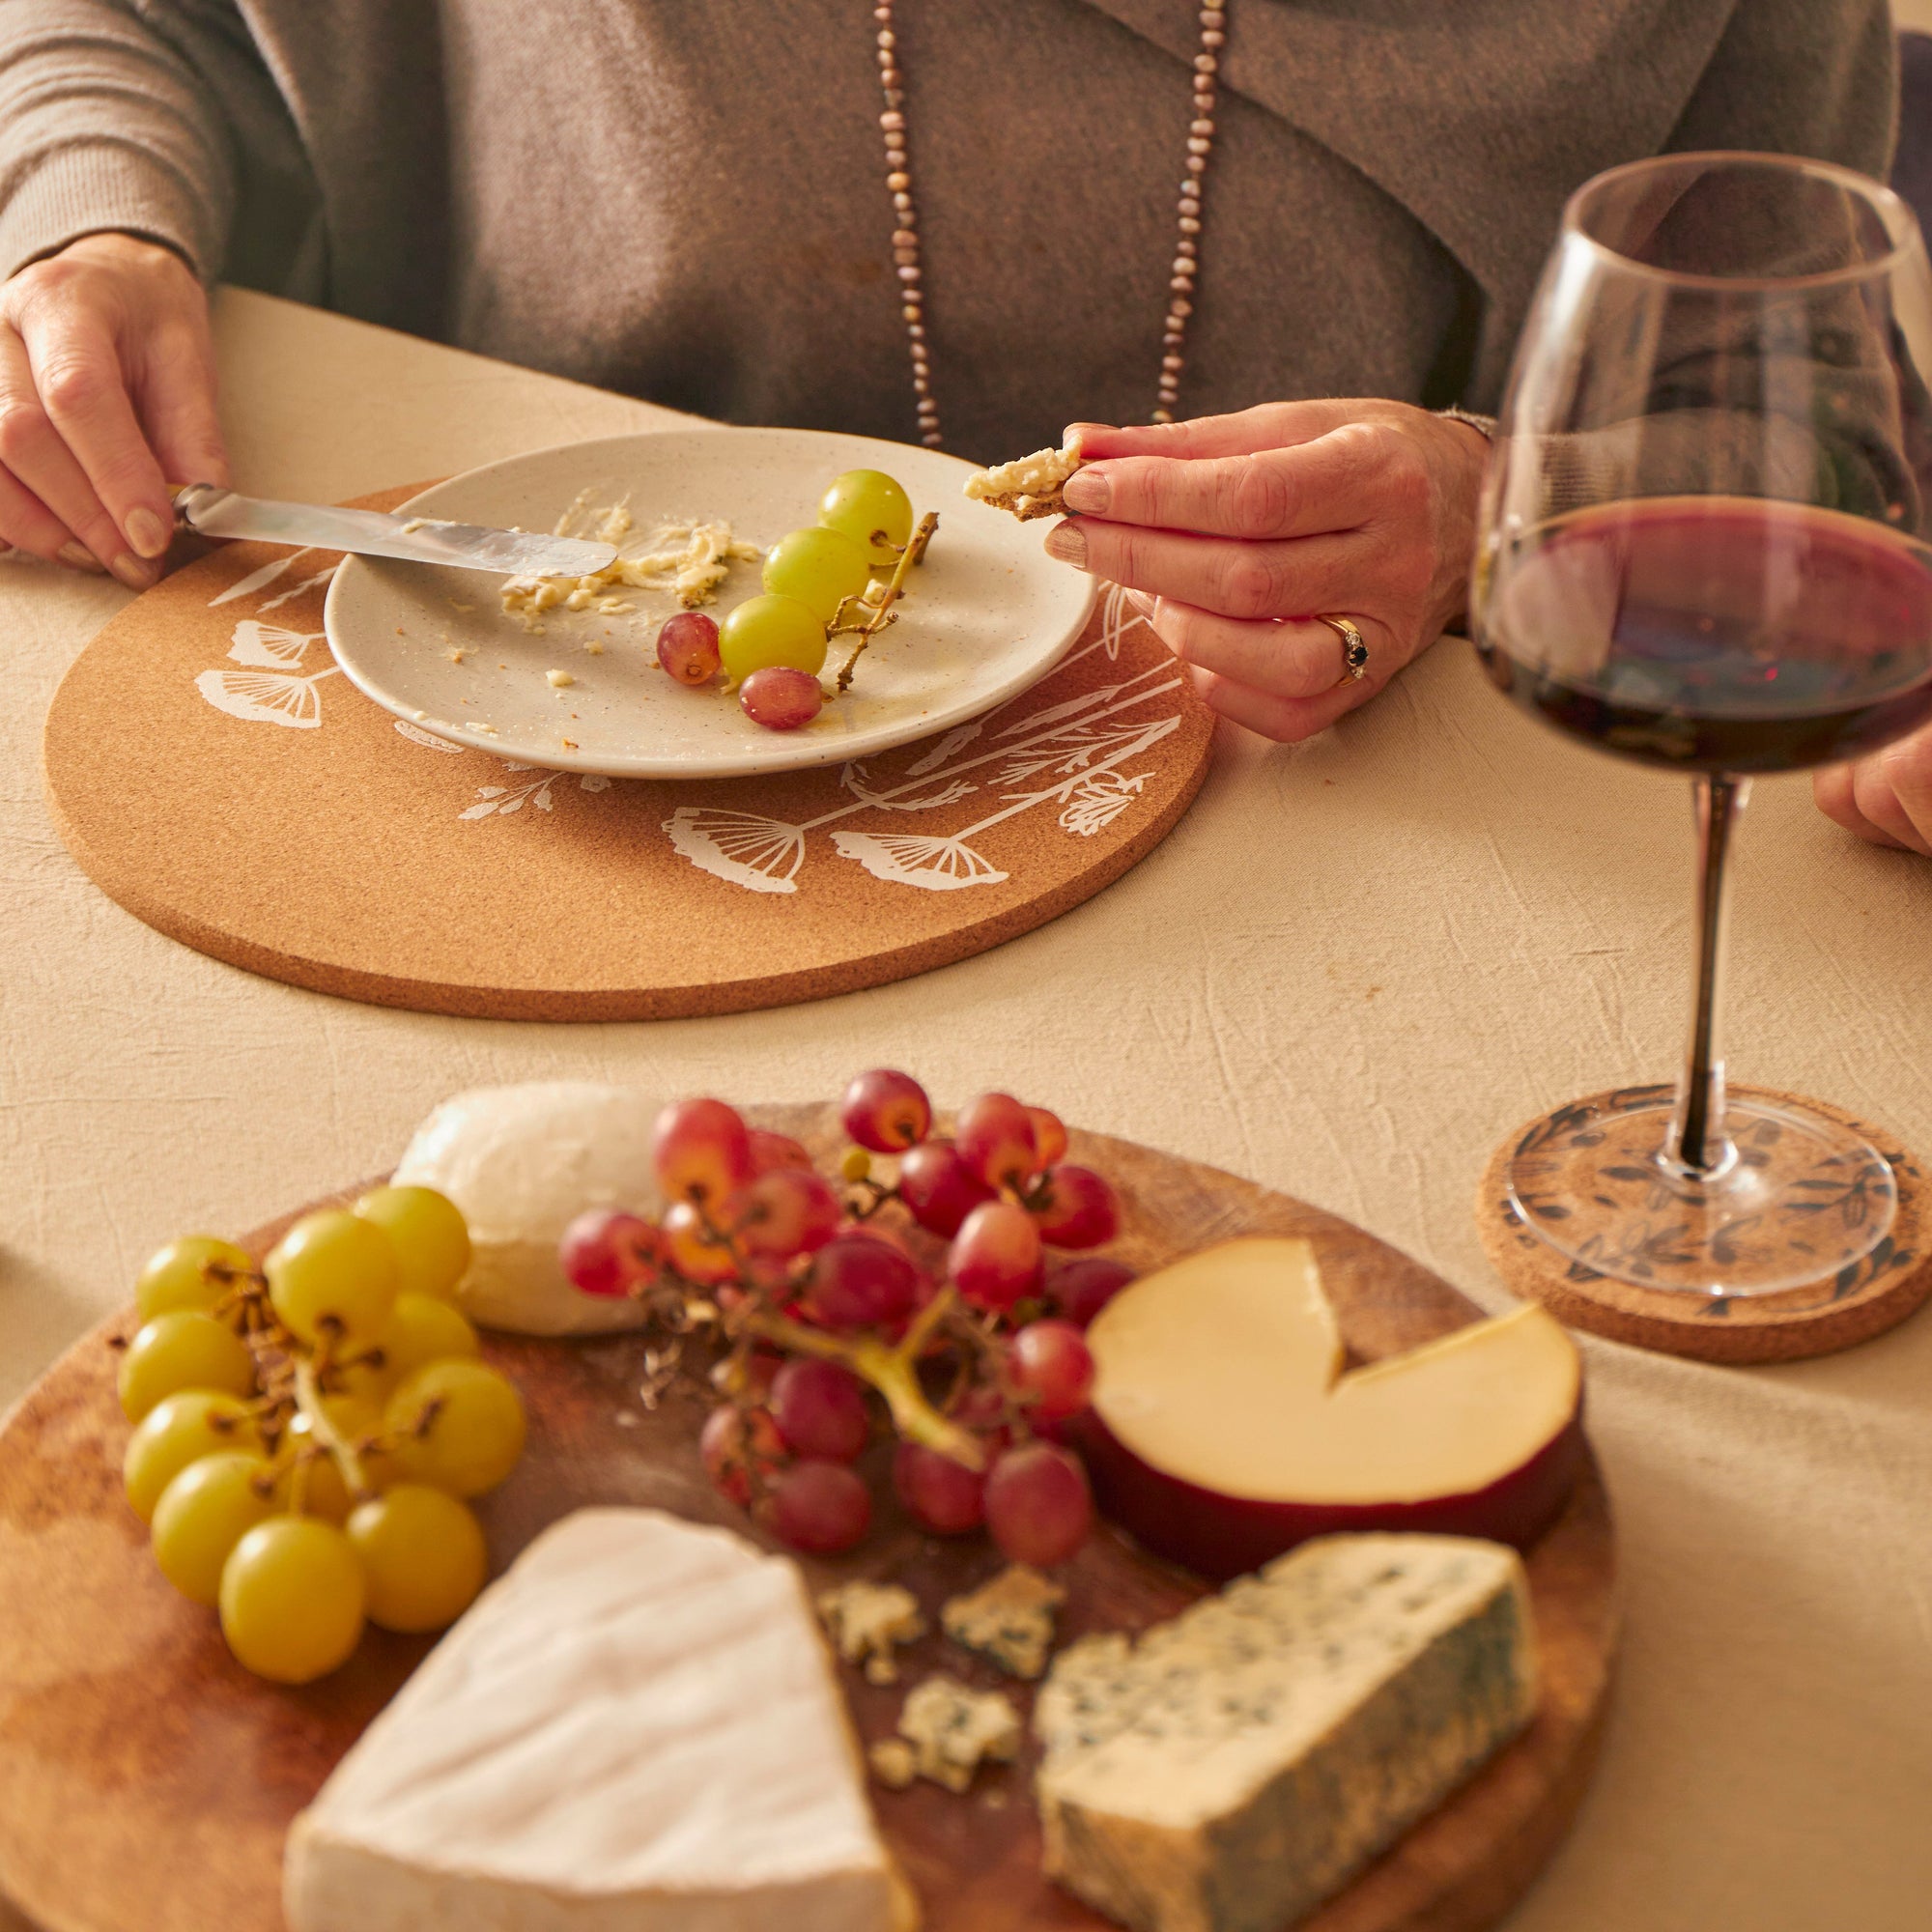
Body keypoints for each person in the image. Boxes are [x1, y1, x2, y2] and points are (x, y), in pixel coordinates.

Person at [0, 0, 1917, 842]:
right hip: (489, 764)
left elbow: (1794, 445)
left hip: (1364, 806)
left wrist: (1511, 504)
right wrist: (77, 220)